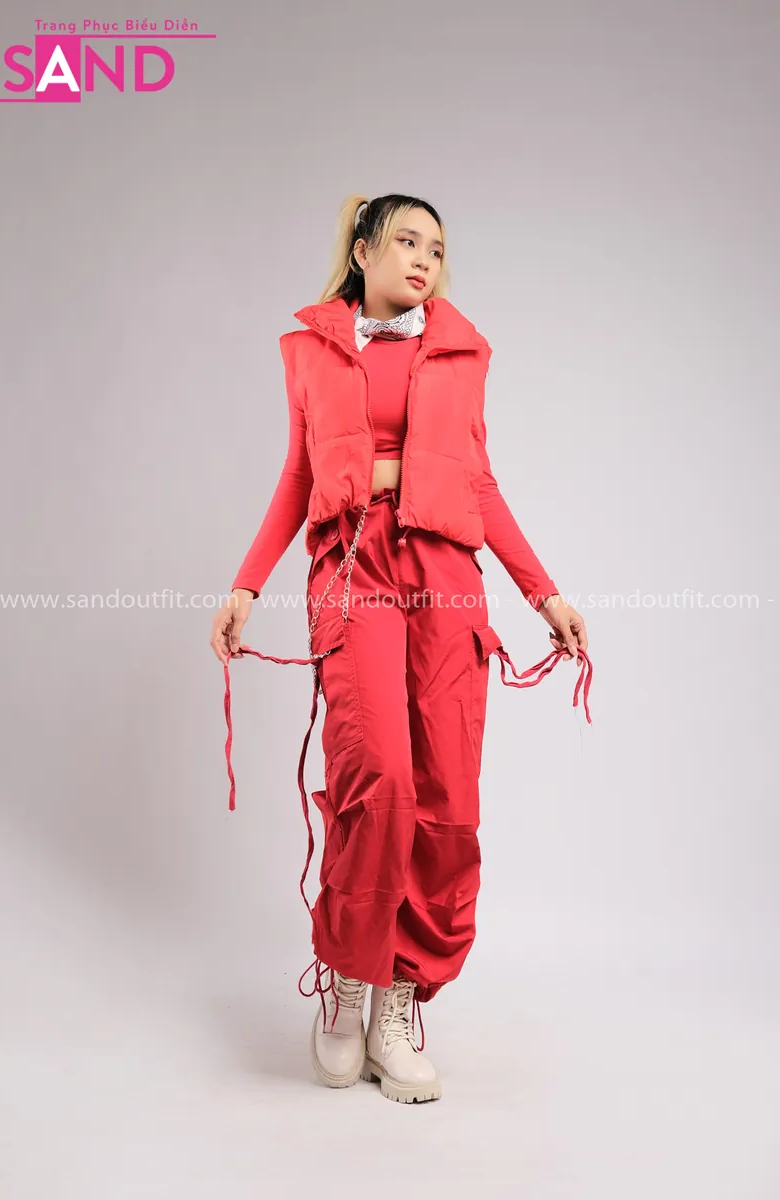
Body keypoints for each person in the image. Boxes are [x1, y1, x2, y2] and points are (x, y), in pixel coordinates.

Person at [210, 193, 591, 1104]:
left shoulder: (463, 351)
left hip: (445, 574)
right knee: (375, 775)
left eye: (438, 247)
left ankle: (398, 1000)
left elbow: (479, 482)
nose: (425, 258)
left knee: (445, 794)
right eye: (407, 241)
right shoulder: (309, 349)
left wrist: (544, 592)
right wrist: (245, 584)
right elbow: (299, 473)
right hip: (353, 568)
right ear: (363, 249)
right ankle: (349, 979)